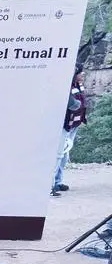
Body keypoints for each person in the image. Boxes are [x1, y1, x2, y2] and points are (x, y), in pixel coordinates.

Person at [52, 66, 88, 196]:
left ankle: (57, 181)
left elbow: (82, 102)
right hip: (66, 123)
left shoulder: (78, 85)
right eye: (80, 73)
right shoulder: (65, 85)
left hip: (74, 123)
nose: (83, 75)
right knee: (58, 154)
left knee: (64, 155)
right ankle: (51, 185)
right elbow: (72, 104)